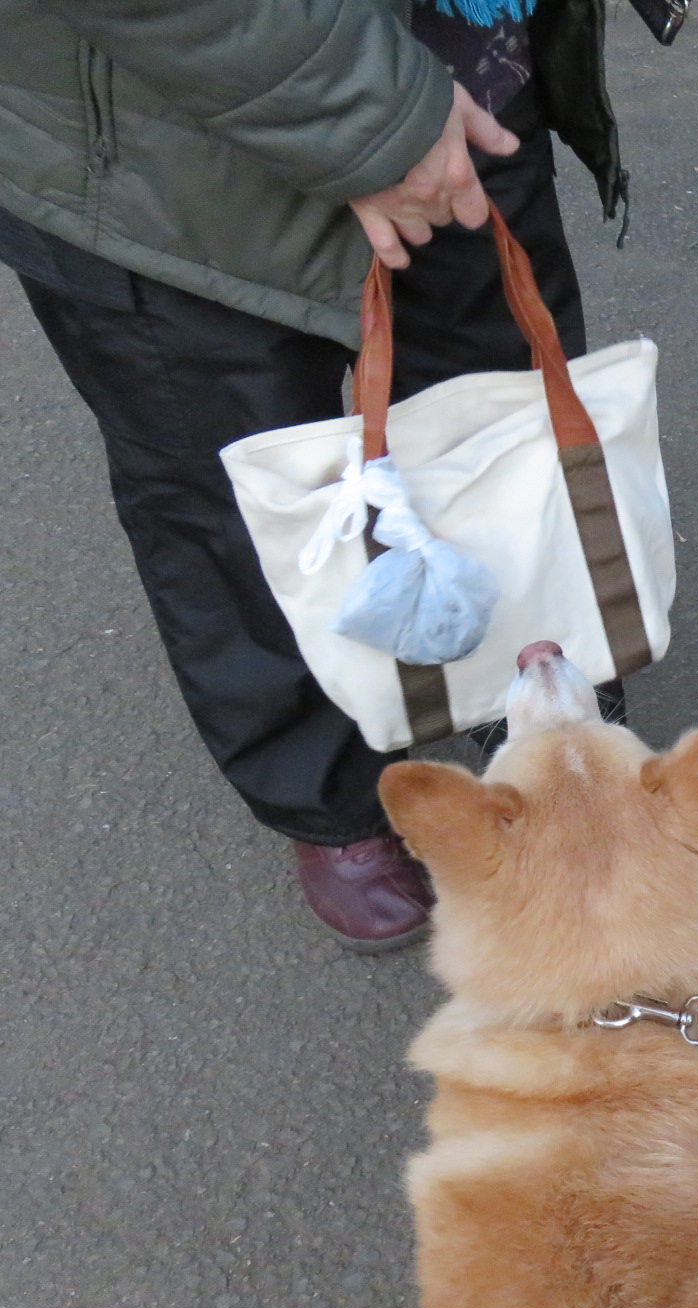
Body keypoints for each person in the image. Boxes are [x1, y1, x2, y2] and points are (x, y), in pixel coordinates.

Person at [0, 0, 630, 951]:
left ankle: (536, 715)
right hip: (153, 146)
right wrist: (376, 115)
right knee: (229, 489)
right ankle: (327, 798)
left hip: (460, 60)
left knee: (503, 428)